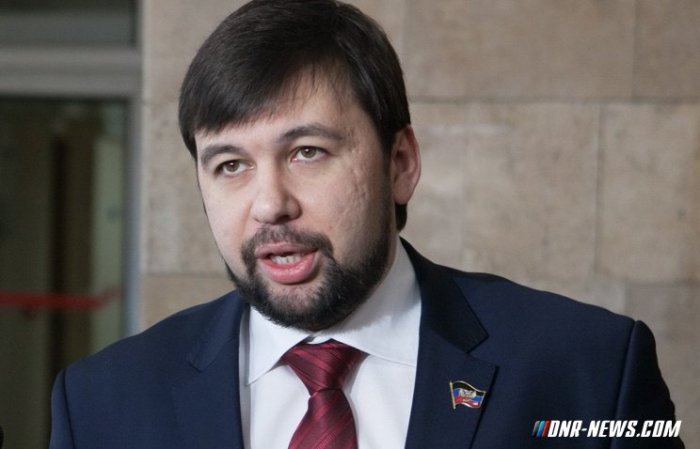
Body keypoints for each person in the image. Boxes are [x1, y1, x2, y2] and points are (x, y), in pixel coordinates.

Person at [50, 0, 684, 448]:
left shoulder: (590, 371)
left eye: (307, 152)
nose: (270, 205)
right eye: (231, 165)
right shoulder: (101, 404)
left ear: (400, 164)